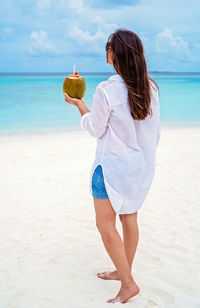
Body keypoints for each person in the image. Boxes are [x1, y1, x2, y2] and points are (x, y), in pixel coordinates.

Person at [64, 28, 161, 304]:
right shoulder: (151, 87)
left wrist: (81, 107)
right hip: (140, 168)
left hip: (111, 168)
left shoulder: (106, 89)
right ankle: (123, 270)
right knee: (129, 219)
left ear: (113, 53)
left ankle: (128, 283)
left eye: (106, 47)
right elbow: (155, 133)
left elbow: (95, 129)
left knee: (105, 225)